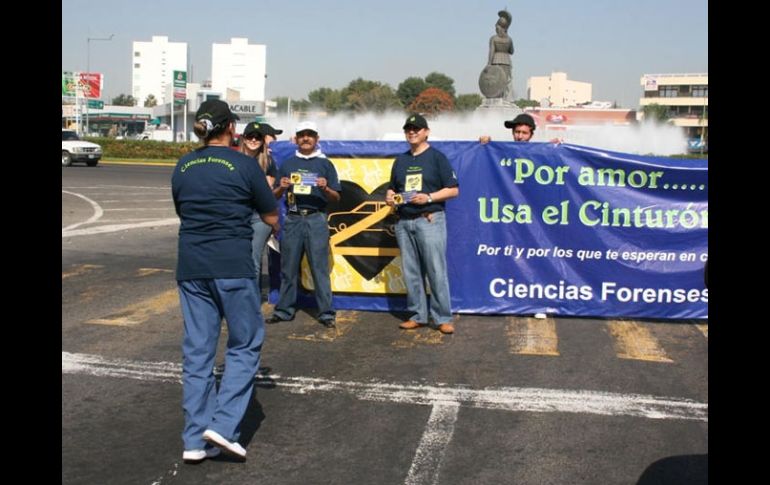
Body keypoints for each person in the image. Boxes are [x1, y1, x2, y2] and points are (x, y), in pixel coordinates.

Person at [171, 100, 279, 463]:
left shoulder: (184, 164)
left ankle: (193, 440)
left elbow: (182, 209)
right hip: (232, 264)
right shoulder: (244, 164)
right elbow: (270, 214)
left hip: (191, 265)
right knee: (245, 343)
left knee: (198, 352)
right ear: (231, 127)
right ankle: (224, 423)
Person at [385, 114, 459, 334]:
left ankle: (443, 317)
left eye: (416, 129)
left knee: (436, 270)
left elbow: (454, 189)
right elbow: (392, 188)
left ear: (426, 132)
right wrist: (390, 196)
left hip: (429, 219)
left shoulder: (437, 158)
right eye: (408, 129)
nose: (412, 132)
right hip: (404, 222)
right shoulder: (401, 160)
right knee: (411, 271)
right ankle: (417, 314)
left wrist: (428, 197)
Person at [267, 121, 341, 328]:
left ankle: (326, 313)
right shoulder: (289, 164)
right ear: (296, 138)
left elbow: (336, 197)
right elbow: (273, 195)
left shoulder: (325, 165)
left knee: (319, 268)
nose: (306, 138)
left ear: (317, 138)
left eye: (310, 134)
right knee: (288, 267)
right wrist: (281, 188)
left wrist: (326, 188)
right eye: (302, 134)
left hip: (316, 218)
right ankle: (284, 310)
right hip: (293, 219)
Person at [240, 121, 284, 295]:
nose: (253, 140)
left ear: (262, 141)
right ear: (243, 138)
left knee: (253, 258)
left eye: (257, 137)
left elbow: (267, 194)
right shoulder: (234, 158)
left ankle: (252, 299)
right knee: (238, 257)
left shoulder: (268, 161)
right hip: (238, 215)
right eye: (250, 136)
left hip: (260, 216)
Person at [478, 113, 561, 144]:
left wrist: (552, 148)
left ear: (531, 135)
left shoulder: (537, 153)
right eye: (517, 132)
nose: (520, 136)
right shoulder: (504, 152)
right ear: (512, 132)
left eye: (524, 133)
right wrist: (486, 144)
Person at [488, 10, 514, 100]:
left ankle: (495, 97)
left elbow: (491, 52)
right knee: (505, 82)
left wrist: (488, 64)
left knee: (495, 81)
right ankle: (504, 99)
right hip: (506, 62)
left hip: (495, 61)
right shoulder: (509, 39)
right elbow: (511, 51)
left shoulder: (493, 39)